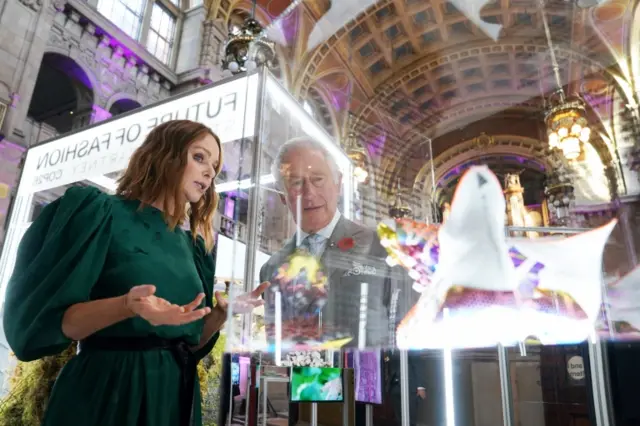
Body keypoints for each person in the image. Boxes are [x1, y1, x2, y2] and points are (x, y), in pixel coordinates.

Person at [2, 120, 267, 426]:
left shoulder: (193, 247)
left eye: (215, 166)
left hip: (173, 398)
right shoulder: (102, 214)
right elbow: (52, 323)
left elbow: (187, 346)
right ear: (165, 154)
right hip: (109, 393)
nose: (210, 172)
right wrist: (126, 306)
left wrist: (222, 313)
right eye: (199, 157)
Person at [259, 137, 423, 425]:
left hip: (378, 402)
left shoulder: (383, 246)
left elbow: (412, 328)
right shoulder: (272, 268)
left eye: (318, 179)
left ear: (338, 183)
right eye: (296, 183)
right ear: (284, 196)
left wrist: (414, 398)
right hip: (310, 401)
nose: (309, 193)